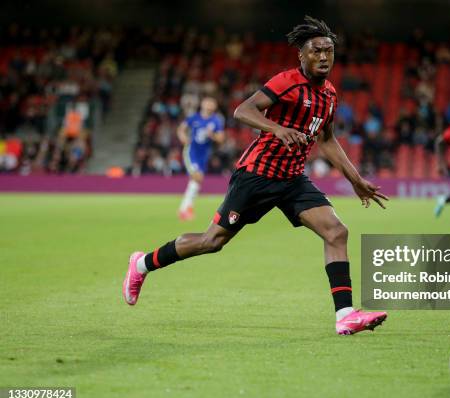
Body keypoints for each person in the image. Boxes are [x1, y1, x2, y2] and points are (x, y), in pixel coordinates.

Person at [123, 16, 389, 336]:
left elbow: (327, 140)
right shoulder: (286, 82)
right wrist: (278, 129)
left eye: (329, 51)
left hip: (292, 179)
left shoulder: (329, 95)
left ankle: (345, 315)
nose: (323, 57)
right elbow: (243, 111)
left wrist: (355, 179)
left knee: (336, 231)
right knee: (212, 242)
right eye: (316, 51)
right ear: (301, 56)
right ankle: (142, 264)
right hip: (257, 175)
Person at [176, 97, 225, 220]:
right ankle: (185, 209)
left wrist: (212, 135)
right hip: (191, 152)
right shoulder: (194, 117)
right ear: (202, 104)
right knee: (197, 177)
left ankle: (186, 208)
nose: (209, 105)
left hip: (204, 154)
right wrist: (183, 138)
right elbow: (181, 129)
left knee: (198, 179)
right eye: (207, 102)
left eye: (212, 103)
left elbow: (221, 139)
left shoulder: (216, 120)